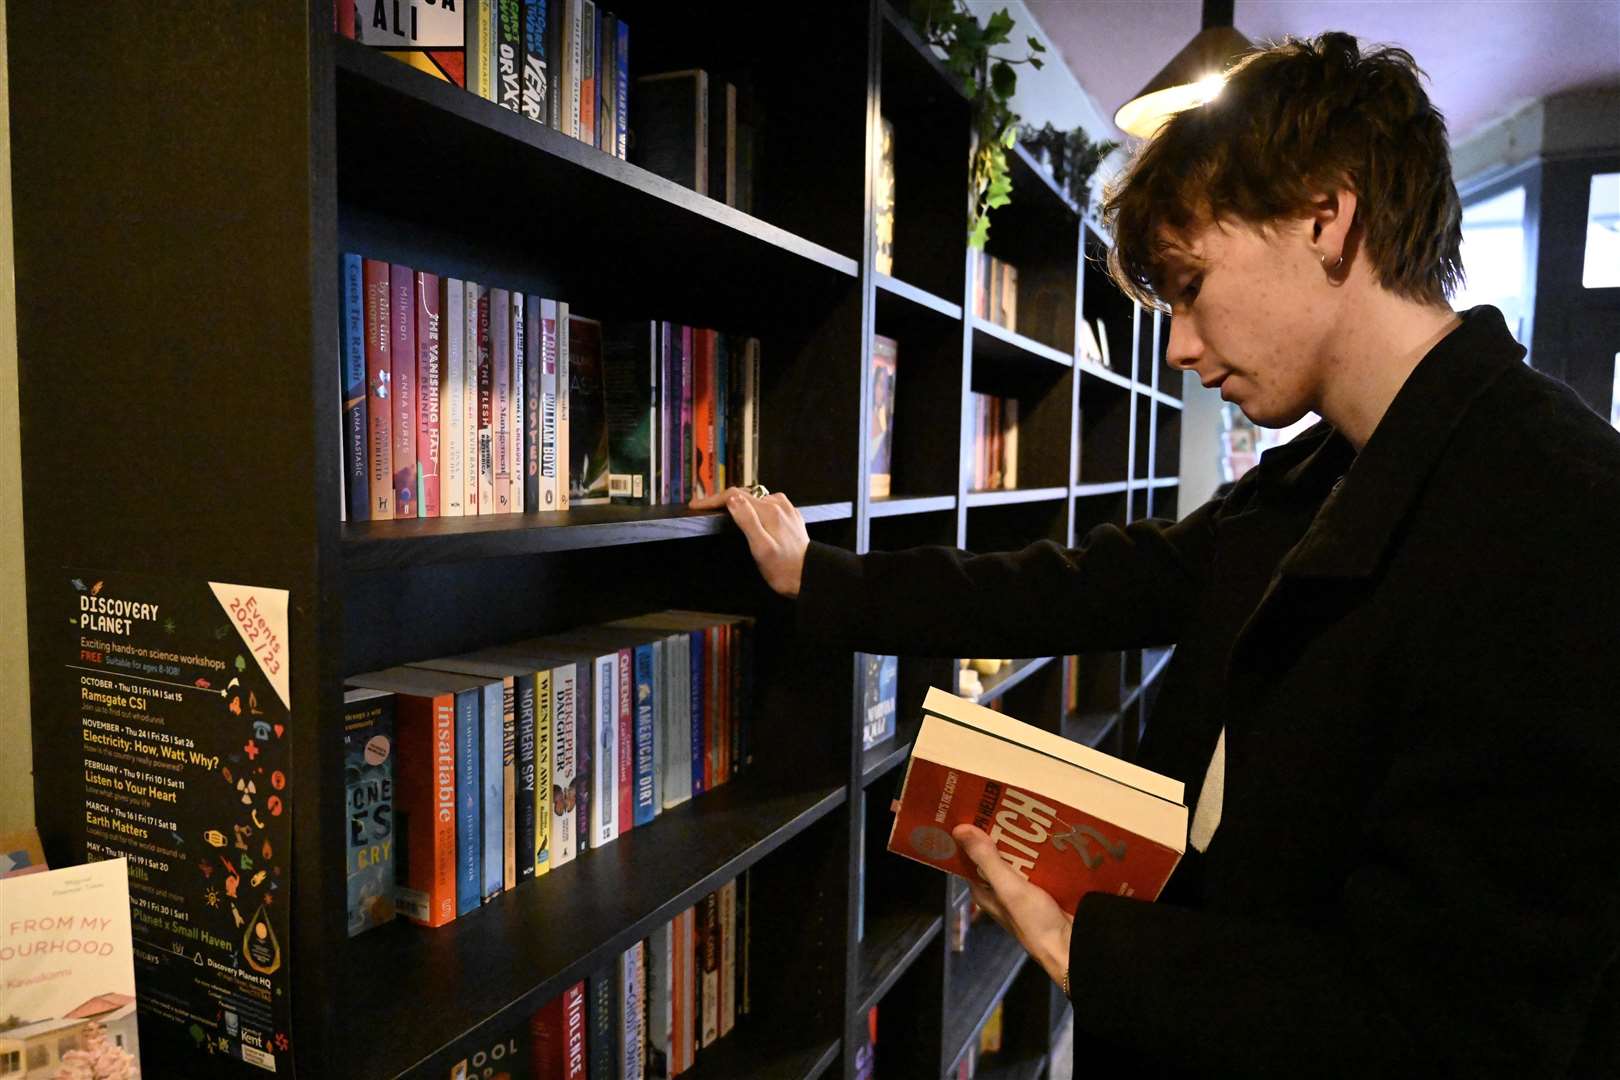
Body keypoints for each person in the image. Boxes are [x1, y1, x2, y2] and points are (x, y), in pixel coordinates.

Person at [695, 31, 1619, 1075]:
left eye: (1190, 285)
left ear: (1327, 215)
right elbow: (1088, 585)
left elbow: (1458, 1028)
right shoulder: (1331, 467)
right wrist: (826, 579)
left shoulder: (1560, 513)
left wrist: (1086, 945)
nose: (1177, 345)